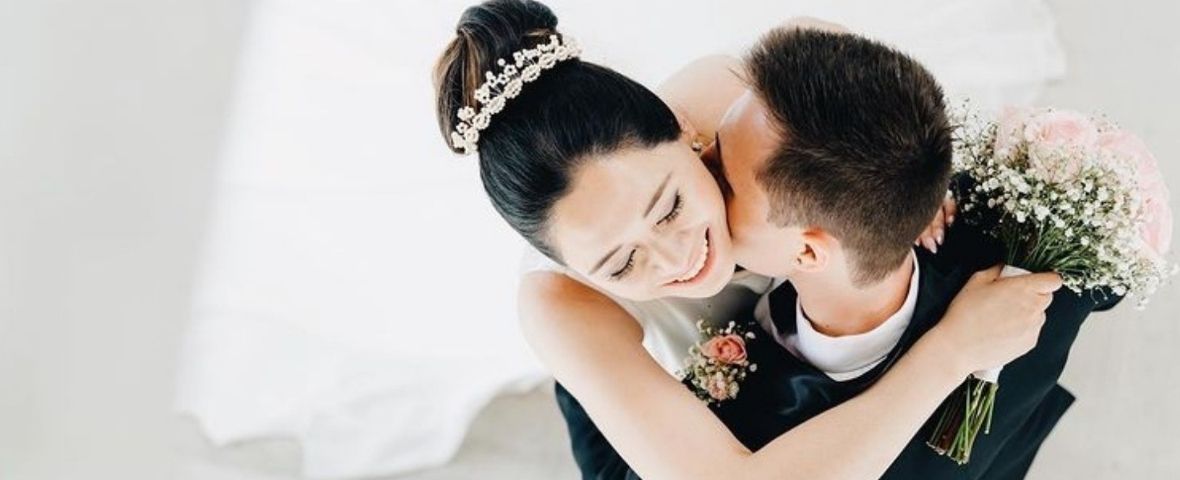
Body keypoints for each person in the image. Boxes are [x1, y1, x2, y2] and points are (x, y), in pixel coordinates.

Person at [433, 1, 1060, 478]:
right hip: (671, 404)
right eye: (621, 263)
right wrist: (951, 353)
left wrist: (901, 183)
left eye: (672, 205)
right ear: (565, 263)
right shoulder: (560, 303)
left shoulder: (720, 97)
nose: (679, 257)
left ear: (686, 132)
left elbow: (846, 60)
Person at [555, 25, 1123, 479]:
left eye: (722, 173)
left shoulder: (756, 435)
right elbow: (1113, 271)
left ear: (806, 253)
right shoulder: (985, 224)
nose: (699, 166)